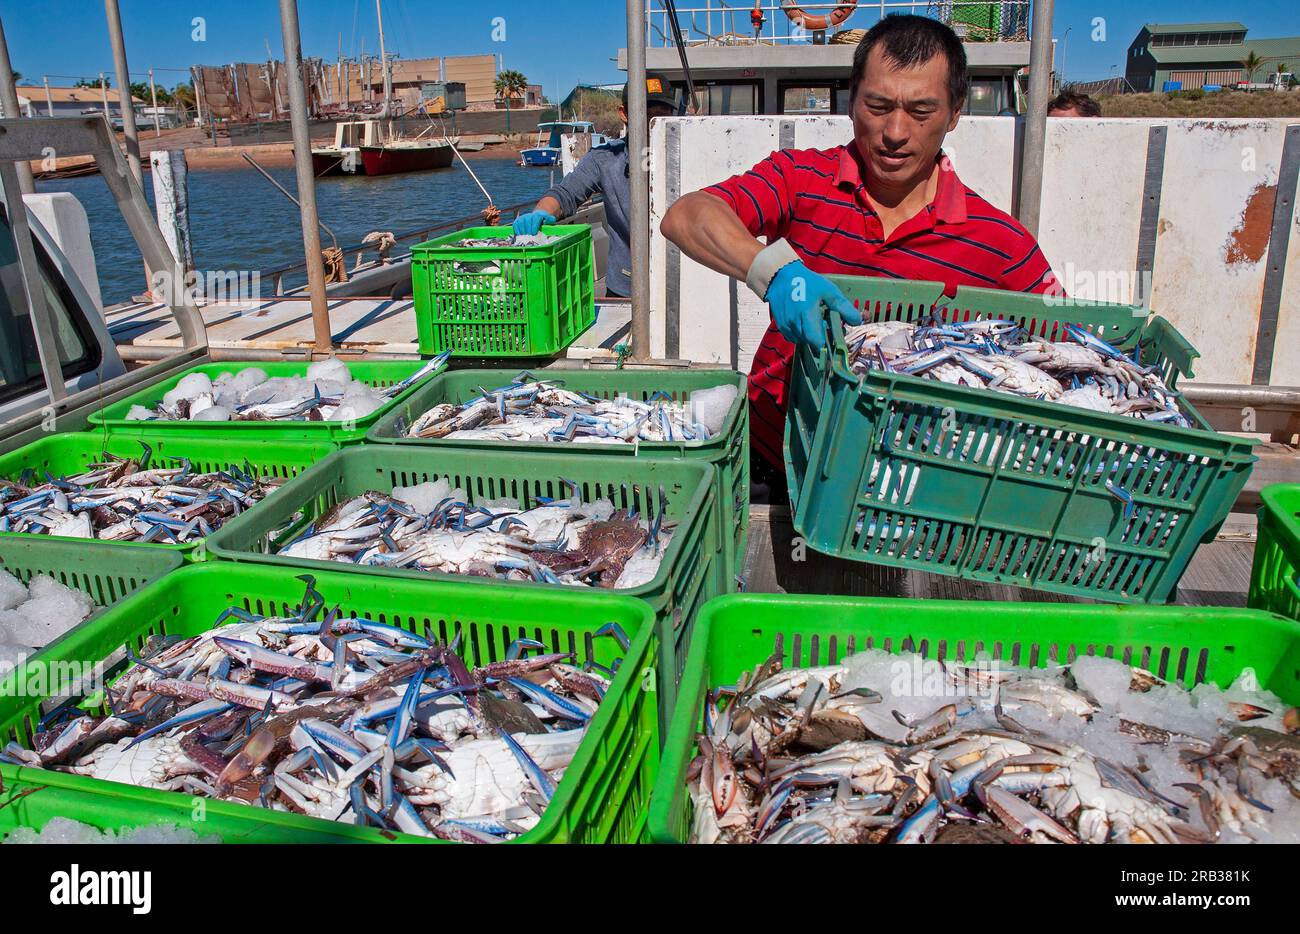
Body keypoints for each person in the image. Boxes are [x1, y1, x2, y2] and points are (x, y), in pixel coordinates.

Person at [660, 14, 1059, 477]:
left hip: (902, 481)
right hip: (773, 455)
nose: (894, 132)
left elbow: (1069, 354)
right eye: (878, 105)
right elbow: (687, 215)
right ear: (852, 103)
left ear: (954, 113)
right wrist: (774, 273)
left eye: (921, 111)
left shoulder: (1001, 243)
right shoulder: (800, 179)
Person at [513, 74, 677, 298]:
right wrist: (541, 212)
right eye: (646, 115)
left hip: (679, 284)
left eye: (662, 116)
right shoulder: (604, 158)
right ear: (624, 113)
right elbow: (565, 193)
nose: (653, 124)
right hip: (625, 288)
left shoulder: (686, 155)